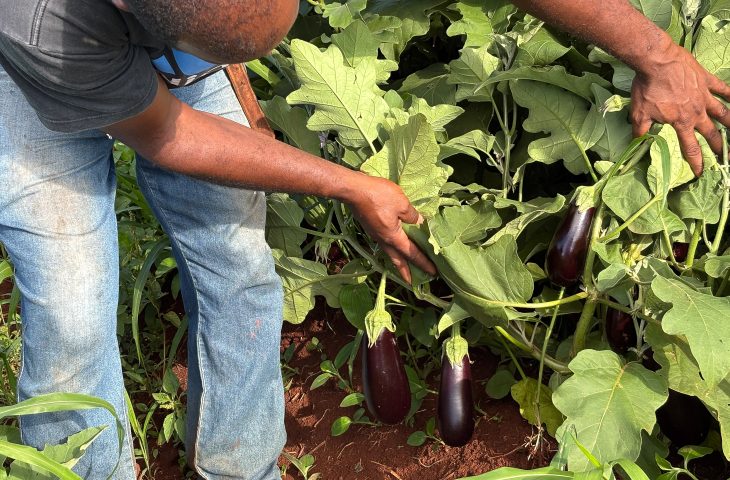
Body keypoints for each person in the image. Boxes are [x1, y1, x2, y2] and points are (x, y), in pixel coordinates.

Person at [0, 0, 727, 479]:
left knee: (239, 264)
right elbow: (166, 132)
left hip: (189, 34)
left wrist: (659, 52)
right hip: (38, 72)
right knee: (71, 312)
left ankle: (241, 468)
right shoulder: (38, 24)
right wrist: (350, 184)